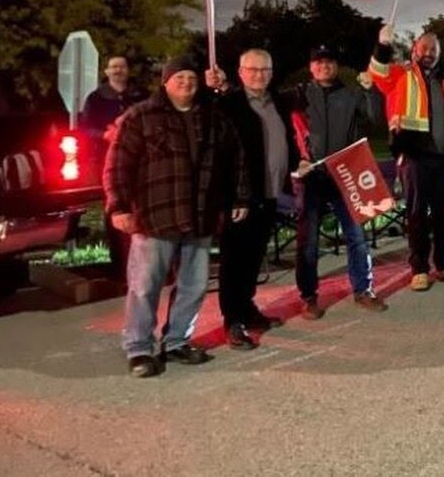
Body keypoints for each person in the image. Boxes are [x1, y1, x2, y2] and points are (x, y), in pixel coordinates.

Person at [103, 56, 249, 378]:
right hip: (156, 217)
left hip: (200, 217)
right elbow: (118, 166)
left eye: (191, 77)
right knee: (145, 287)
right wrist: (118, 206)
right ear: (165, 82)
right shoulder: (140, 117)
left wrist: (240, 196)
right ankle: (139, 348)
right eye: (178, 77)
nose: (186, 82)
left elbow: (236, 159)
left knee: (194, 286)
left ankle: (177, 341)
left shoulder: (213, 118)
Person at [207, 50, 299, 350]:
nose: (259, 75)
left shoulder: (277, 103)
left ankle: (247, 309)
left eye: (264, 70)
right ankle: (232, 320)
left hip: (270, 193)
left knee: (254, 257)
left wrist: (297, 164)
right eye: (253, 69)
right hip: (241, 199)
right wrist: (232, 198)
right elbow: (220, 154)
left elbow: (284, 140)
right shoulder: (228, 104)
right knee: (234, 260)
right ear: (241, 72)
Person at [291, 45, 388, 318]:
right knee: (307, 241)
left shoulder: (352, 93)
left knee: (356, 236)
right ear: (311, 67)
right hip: (312, 177)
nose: (324, 66)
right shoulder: (300, 94)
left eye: (329, 61)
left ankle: (363, 289)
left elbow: (375, 118)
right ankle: (308, 296)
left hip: (346, 174)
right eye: (318, 62)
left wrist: (371, 91)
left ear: (336, 66)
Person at [370, 27, 444, 291]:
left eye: (434, 50)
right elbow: (378, 73)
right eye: (424, 48)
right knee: (417, 215)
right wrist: (383, 46)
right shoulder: (401, 74)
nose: (429, 53)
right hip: (414, 157)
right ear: (414, 50)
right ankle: (419, 269)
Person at [79, 55, 149, 280]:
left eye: (122, 66)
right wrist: (106, 135)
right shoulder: (96, 98)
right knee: (117, 211)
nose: (118, 70)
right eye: (114, 67)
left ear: (128, 70)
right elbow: (85, 129)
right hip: (107, 160)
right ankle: (121, 268)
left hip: (140, 162)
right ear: (107, 72)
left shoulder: (139, 96)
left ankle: (147, 266)